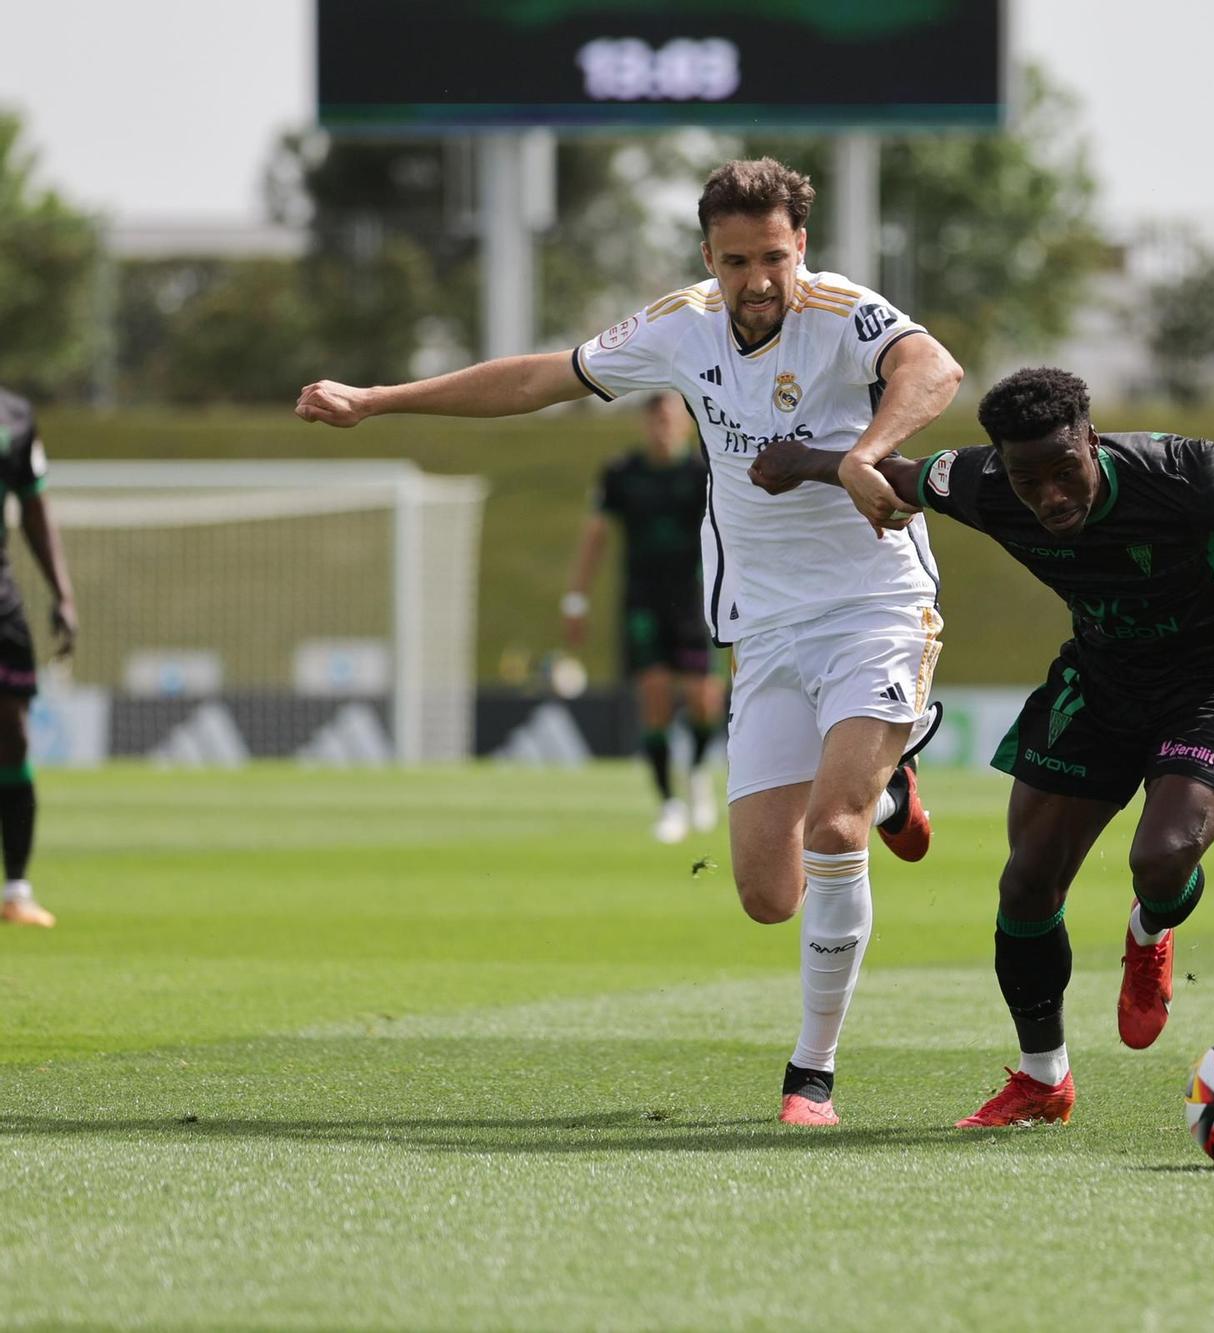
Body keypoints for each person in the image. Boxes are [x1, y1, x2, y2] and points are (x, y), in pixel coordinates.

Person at [297, 158, 963, 1126]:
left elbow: (932, 369)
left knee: (831, 833)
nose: (758, 279)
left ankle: (809, 1075)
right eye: (736, 260)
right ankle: (889, 780)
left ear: (801, 247)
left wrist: (861, 456)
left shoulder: (844, 311)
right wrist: (380, 398)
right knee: (767, 895)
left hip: (875, 603)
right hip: (765, 627)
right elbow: (538, 377)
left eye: (774, 255)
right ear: (708, 256)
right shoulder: (679, 326)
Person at [751, 366, 1214, 1127]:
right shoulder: (981, 482)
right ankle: (1043, 1079)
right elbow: (891, 475)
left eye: (1066, 471)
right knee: (1026, 884)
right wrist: (807, 464)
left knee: (1161, 857)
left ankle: (1150, 927)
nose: (1051, 496)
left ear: (1092, 439)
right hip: (1102, 676)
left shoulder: (1186, 473)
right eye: (1029, 481)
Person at [563, 391, 725, 843]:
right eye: (654, 420)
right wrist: (576, 598)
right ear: (644, 424)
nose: (662, 428)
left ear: (686, 425)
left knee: (702, 698)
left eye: (670, 419)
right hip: (642, 600)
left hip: (693, 599)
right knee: (653, 695)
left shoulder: (703, 474)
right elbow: (595, 536)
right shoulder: (621, 474)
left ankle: (695, 773)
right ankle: (669, 803)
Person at [0, 386, 79, 928]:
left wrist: (63, 593)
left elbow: (34, 506)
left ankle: (16, 890)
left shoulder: (16, 415)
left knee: (12, 732)